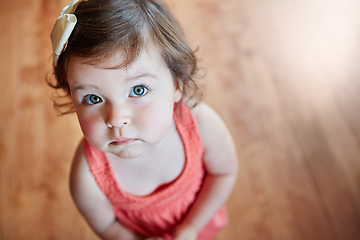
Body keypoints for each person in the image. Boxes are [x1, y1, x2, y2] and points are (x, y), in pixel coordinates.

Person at [48, 0, 238, 239]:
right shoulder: (87, 177)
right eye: (93, 98)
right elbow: (108, 228)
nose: (116, 120)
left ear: (176, 84)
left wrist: (191, 228)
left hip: (200, 222)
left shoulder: (200, 125)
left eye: (138, 90)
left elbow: (223, 173)